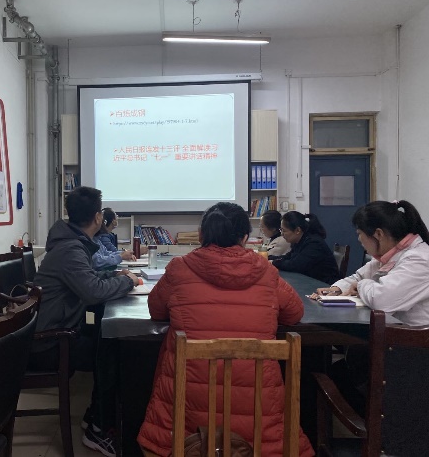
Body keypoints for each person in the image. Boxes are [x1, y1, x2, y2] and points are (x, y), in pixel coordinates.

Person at [137, 202, 313, 457]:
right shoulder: (266, 271)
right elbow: (295, 313)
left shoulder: (179, 268)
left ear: (201, 235)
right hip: (259, 424)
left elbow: (156, 310)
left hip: (187, 424)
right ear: (245, 238)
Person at [32, 186, 138, 457]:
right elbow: (92, 292)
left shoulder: (73, 243)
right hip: (49, 342)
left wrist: (115, 277)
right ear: (98, 217)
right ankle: (99, 429)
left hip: (60, 330)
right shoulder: (71, 249)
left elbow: (88, 279)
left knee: (107, 341)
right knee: (112, 352)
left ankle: (95, 416)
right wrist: (127, 281)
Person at [317, 200, 429, 326]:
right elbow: (359, 277)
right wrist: (336, 289)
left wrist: (360, 286)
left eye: (360, 233)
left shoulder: (419, 259)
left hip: (412, 335)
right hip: (391, 329)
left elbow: (381, 300)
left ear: (378, 234)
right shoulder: (389, 255)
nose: (359, 239)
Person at [270, 211, 340, 284]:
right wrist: (269, 258)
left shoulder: (314, 243)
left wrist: (274, 262)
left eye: (284, 230)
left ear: (298, 230)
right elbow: (288, 257)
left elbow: (295, 265)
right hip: (311, 281)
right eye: (281, 230)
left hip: (324, 284)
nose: (282, 234)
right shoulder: (299, 241)